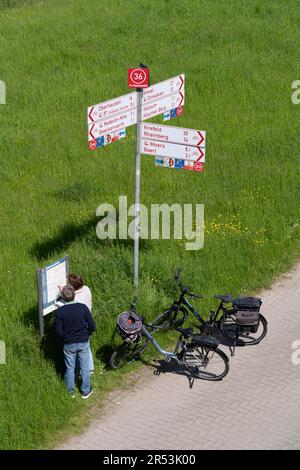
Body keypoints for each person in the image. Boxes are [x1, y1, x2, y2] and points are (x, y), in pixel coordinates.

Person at [55, 285, 96, 398]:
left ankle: (70, 392)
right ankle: (85, 391)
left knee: (70, 368)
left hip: (68, 344)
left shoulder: (60, 311)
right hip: (83, 341)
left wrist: (65, 338)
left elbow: (58, 331)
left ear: (63, 297)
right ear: (74, 294)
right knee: (84, 367)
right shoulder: (83, 308)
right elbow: (92, 325)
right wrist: (87, 334)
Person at [66, 273, 94, 373]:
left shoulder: (76, 299)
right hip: (87, 322)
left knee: (80, 350)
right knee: (86, 346)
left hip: (79, 326)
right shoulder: (86, 289)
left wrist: (63, 293)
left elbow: (69, 305)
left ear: (73, 287)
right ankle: (90, 369)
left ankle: (82, 370)